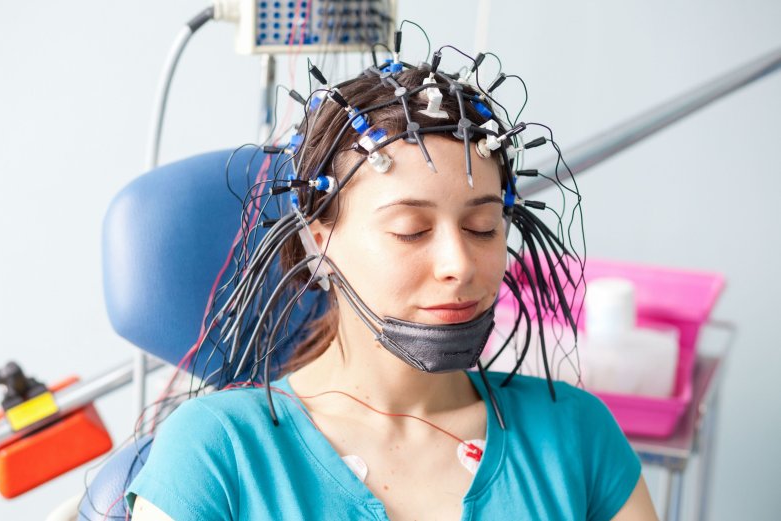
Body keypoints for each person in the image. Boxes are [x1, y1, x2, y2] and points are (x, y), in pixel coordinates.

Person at [125, 56, 658, 520]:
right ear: (319, 242)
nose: (459, 265)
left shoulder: (574, 434)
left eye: (483, 228)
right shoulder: (215, 453)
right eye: (411, 230)